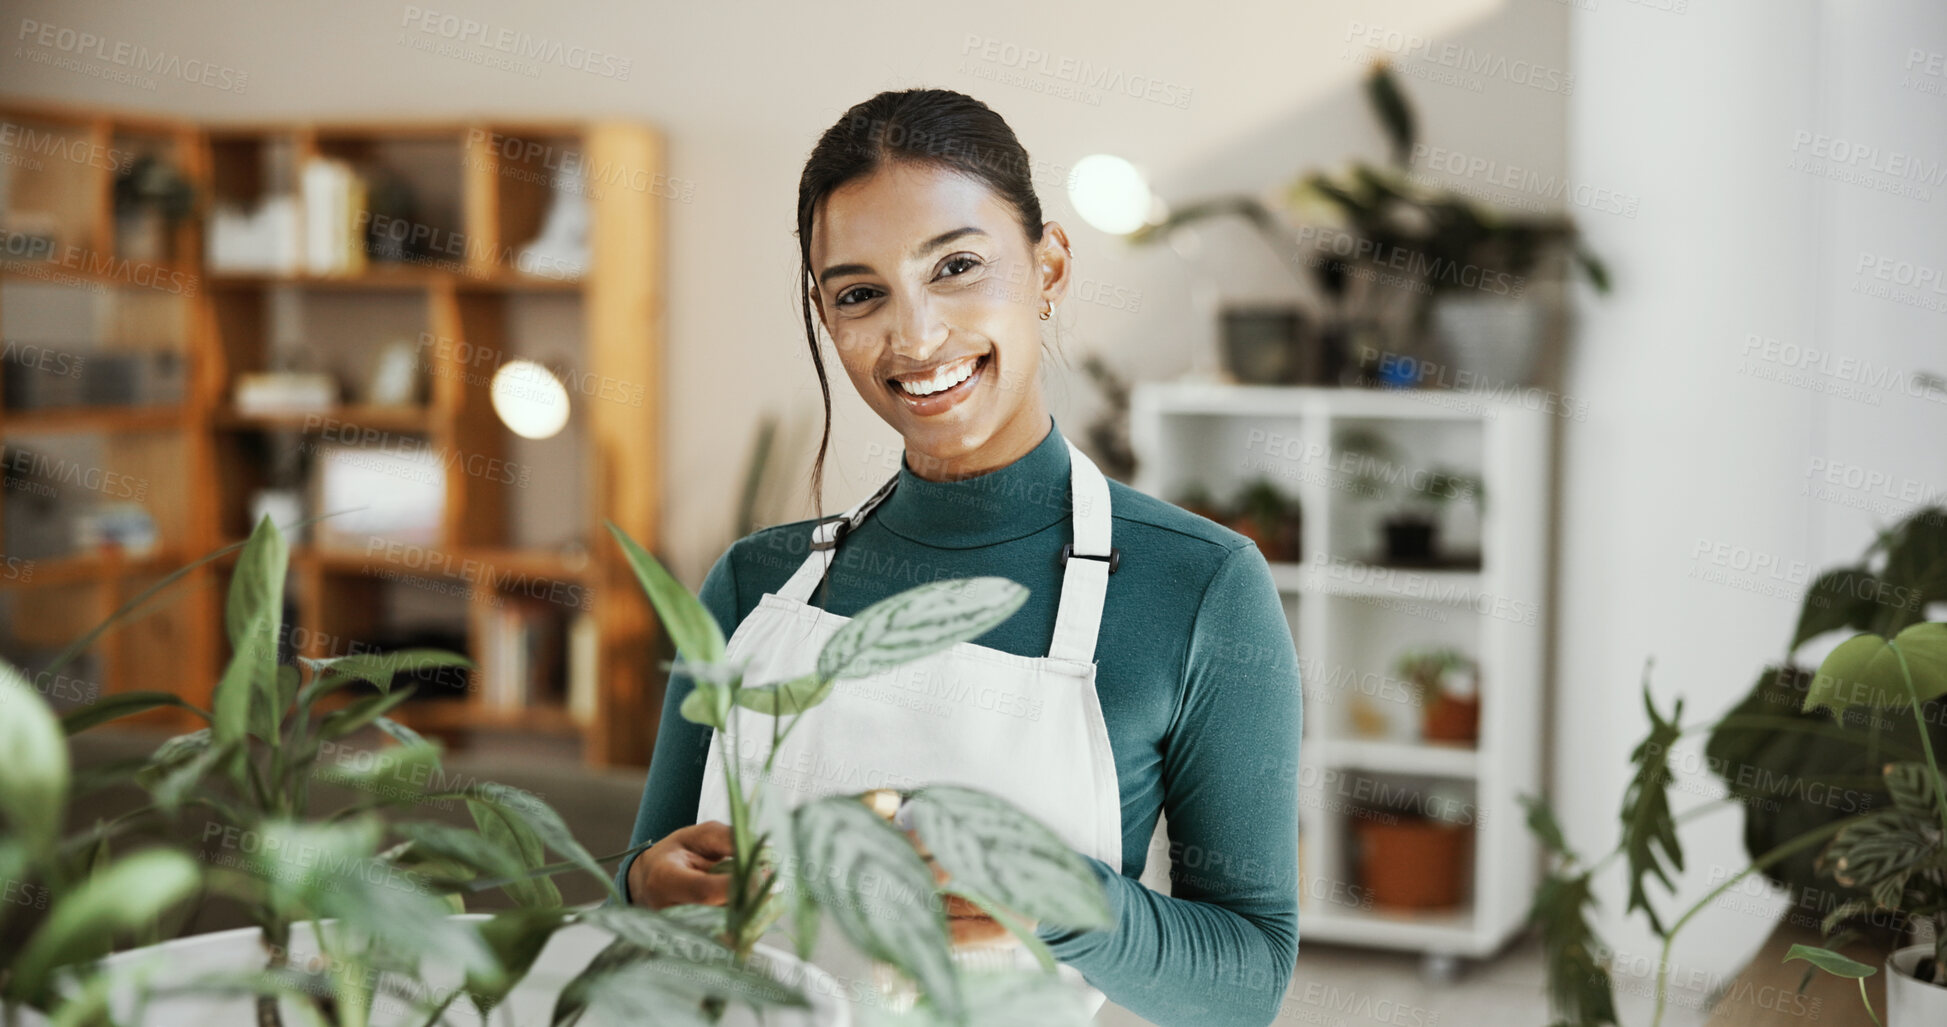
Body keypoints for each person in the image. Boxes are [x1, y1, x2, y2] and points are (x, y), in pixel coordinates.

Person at [617, 87, 1301, 1026]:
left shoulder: (1198, 584)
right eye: (859, 293)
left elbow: (1249, 976)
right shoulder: (753, 581)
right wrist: (649, 882)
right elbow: (644, 868)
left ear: (1049, 266)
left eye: (958, 266)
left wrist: (1060, 899)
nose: (915, 336)